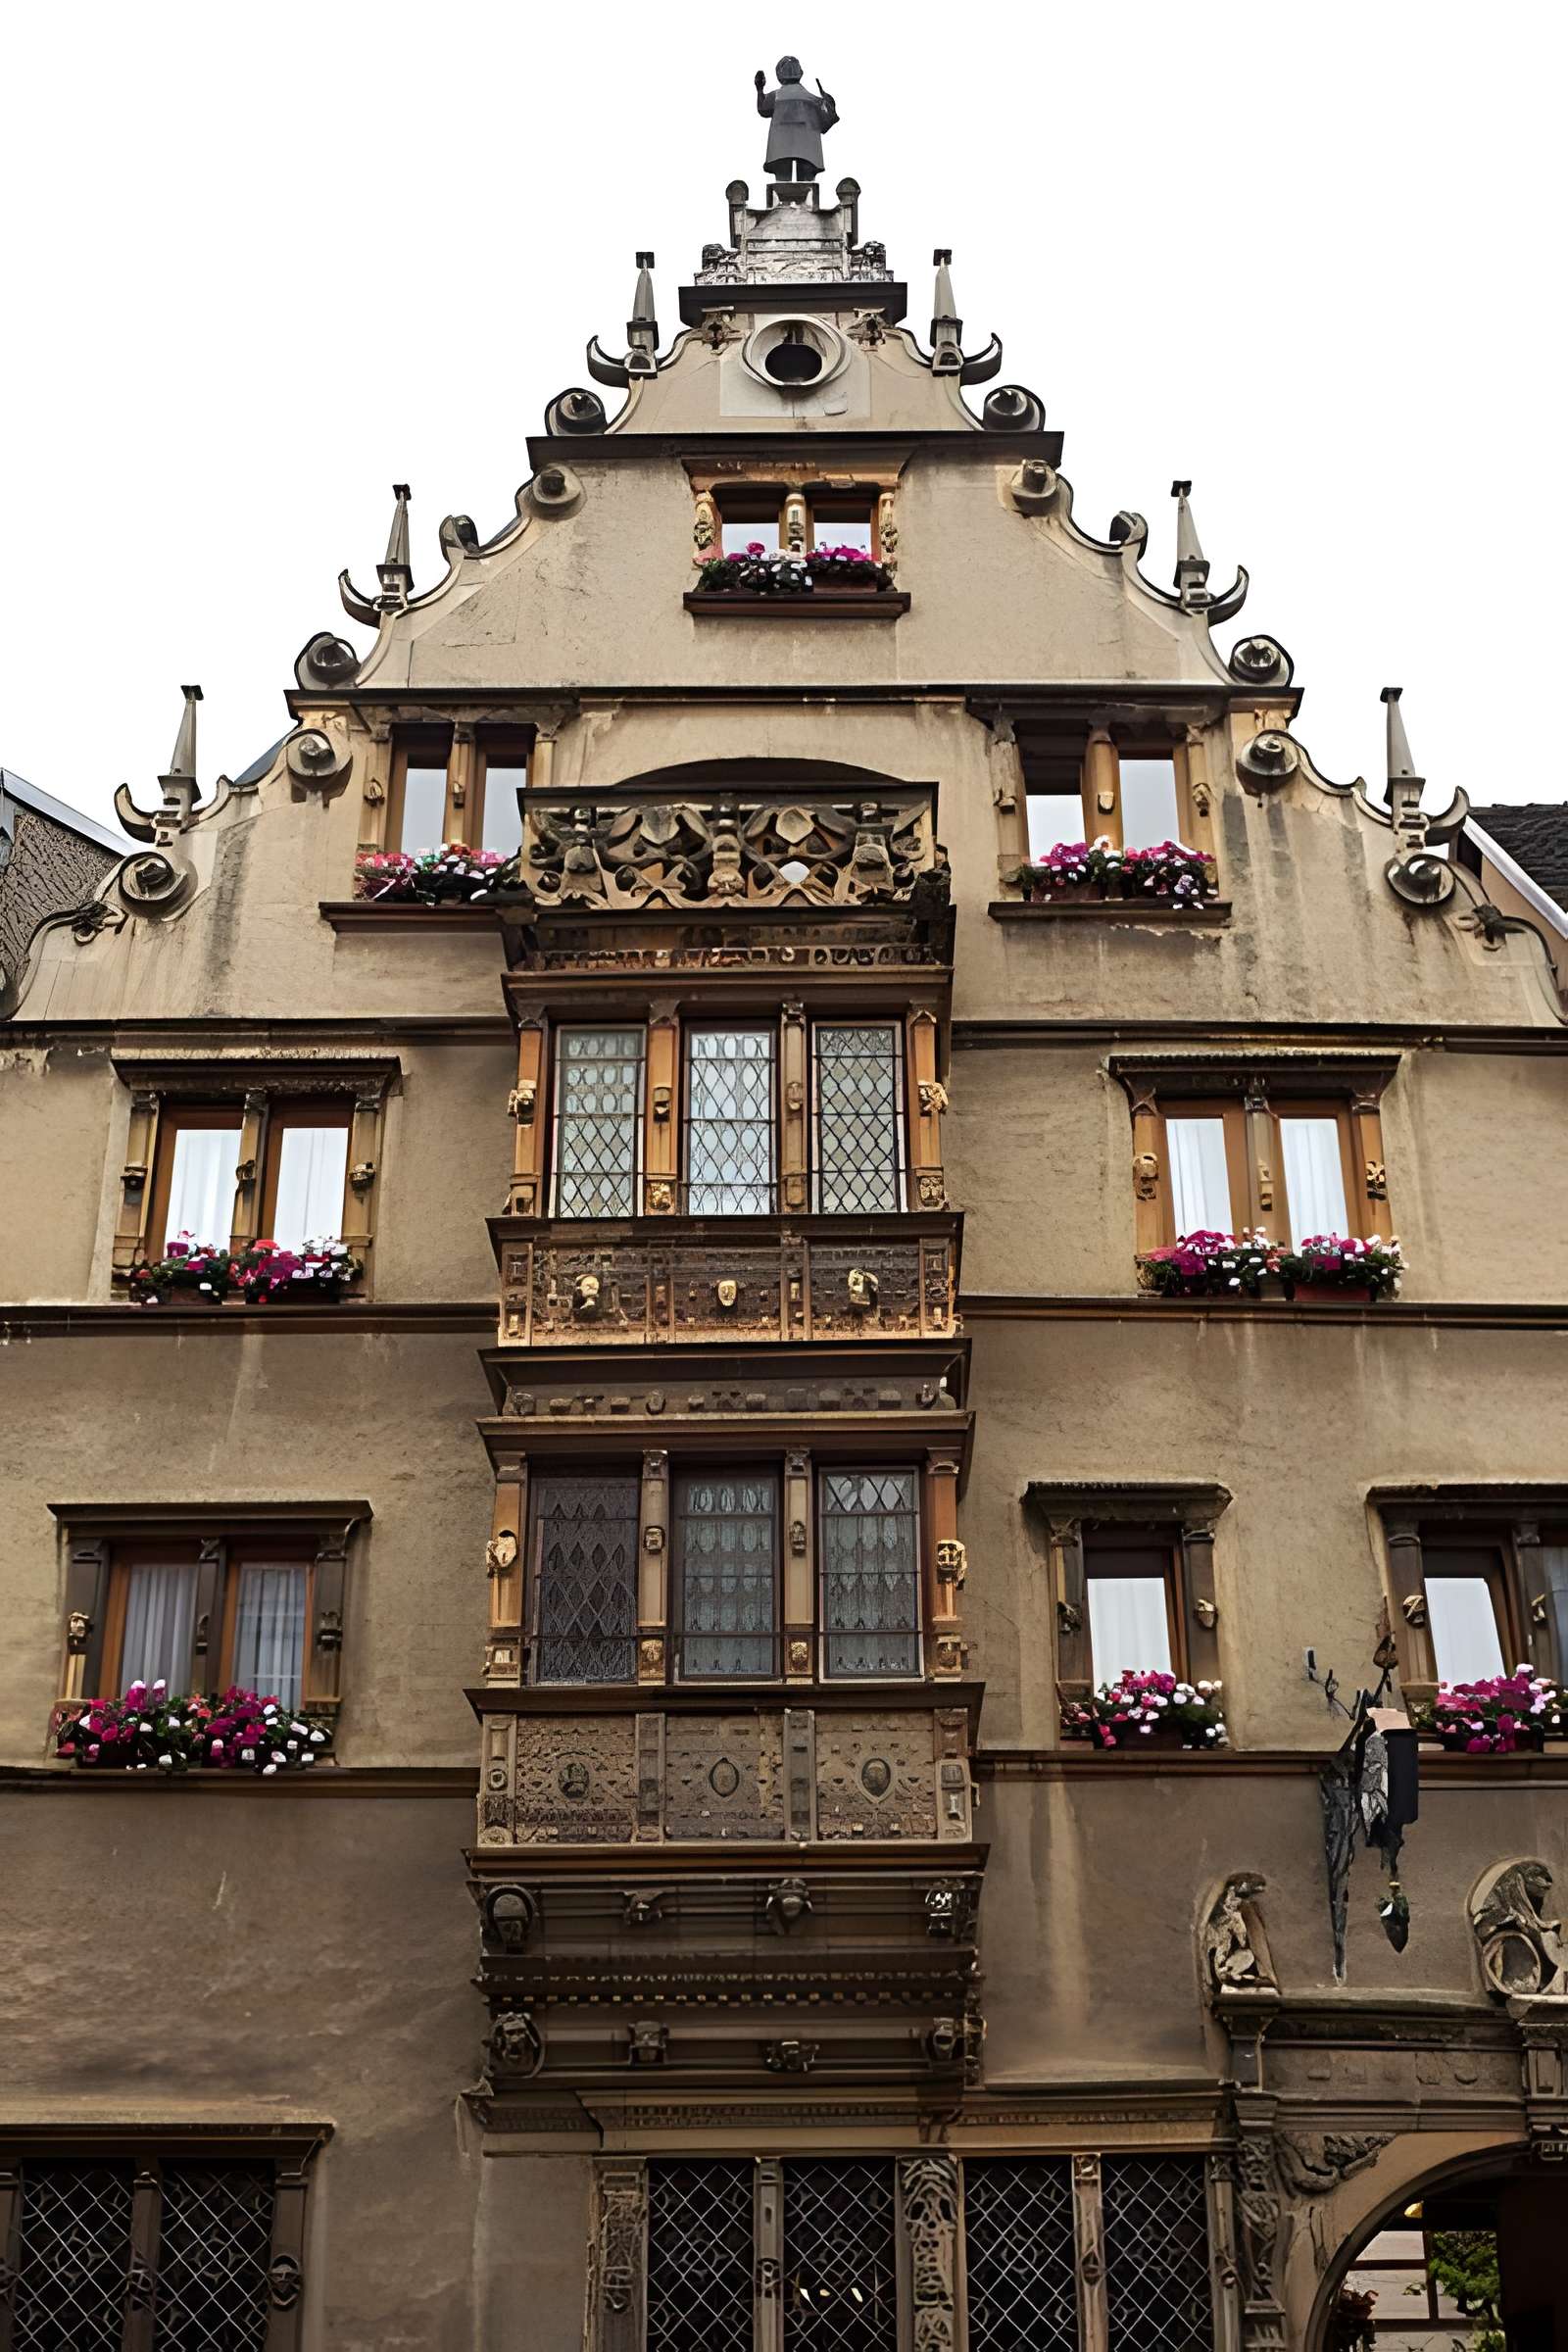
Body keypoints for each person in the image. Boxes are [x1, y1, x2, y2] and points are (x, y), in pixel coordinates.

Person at [754, 57, 838, 182]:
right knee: (807, 189)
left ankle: (782, 198)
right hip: (809, 151)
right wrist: (827, 102)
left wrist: (759, 89)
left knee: (781, 187)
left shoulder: (775, 97)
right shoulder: (812, 100)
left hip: (780, 149)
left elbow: (763, 109)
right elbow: (827, 120)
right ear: (800, 73)